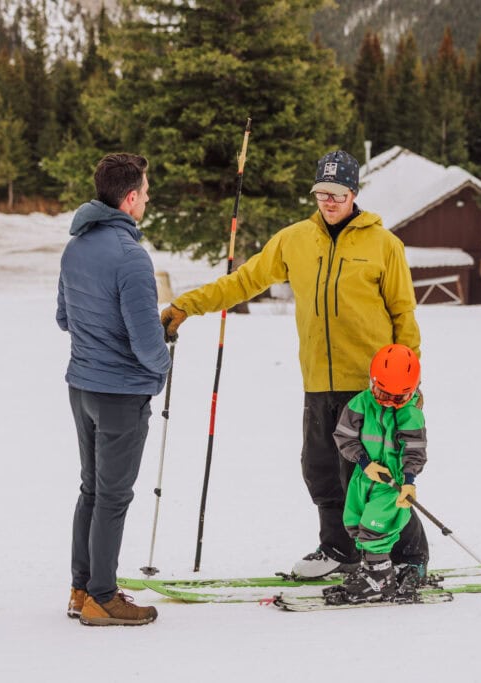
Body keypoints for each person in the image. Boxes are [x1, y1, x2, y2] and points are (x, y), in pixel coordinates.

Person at [160, 149, 430, 578]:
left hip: (372, 386)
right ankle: (341, 550)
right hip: (318, 380)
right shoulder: (294, 240)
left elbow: (404, 315)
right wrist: (187, 306)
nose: (328, 201)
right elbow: (244, 281)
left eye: (337, 193)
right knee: (320, 469)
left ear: (354, 193)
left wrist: (408, 381)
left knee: (377, 475)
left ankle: (409, 558)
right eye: (321, 192)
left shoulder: (384, 245)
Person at [57, 153, 171, 626]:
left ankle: (81, 588)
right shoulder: (131, 258)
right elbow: (147, 344)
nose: (147, 197)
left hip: (82, 386)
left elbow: (65, 317)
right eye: (144, 191)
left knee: (92, 489)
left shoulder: (76, 247)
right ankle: (102, 597)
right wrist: (163, 362)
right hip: (120, 394)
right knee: (113, 496)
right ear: (129, 198)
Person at [333, 343, 426, 602]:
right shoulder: (361, 403)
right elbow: (344, 436)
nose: (389, 403)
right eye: (382, 394)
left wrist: (408, 482)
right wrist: (363, 462)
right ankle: (370, 569)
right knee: (354, 522)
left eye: (399, 398)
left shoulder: (411, 415)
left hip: (391, 483)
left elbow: (415, 451)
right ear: (372, 382)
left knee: (376, 527)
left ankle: (380, 579)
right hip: (365, 477)